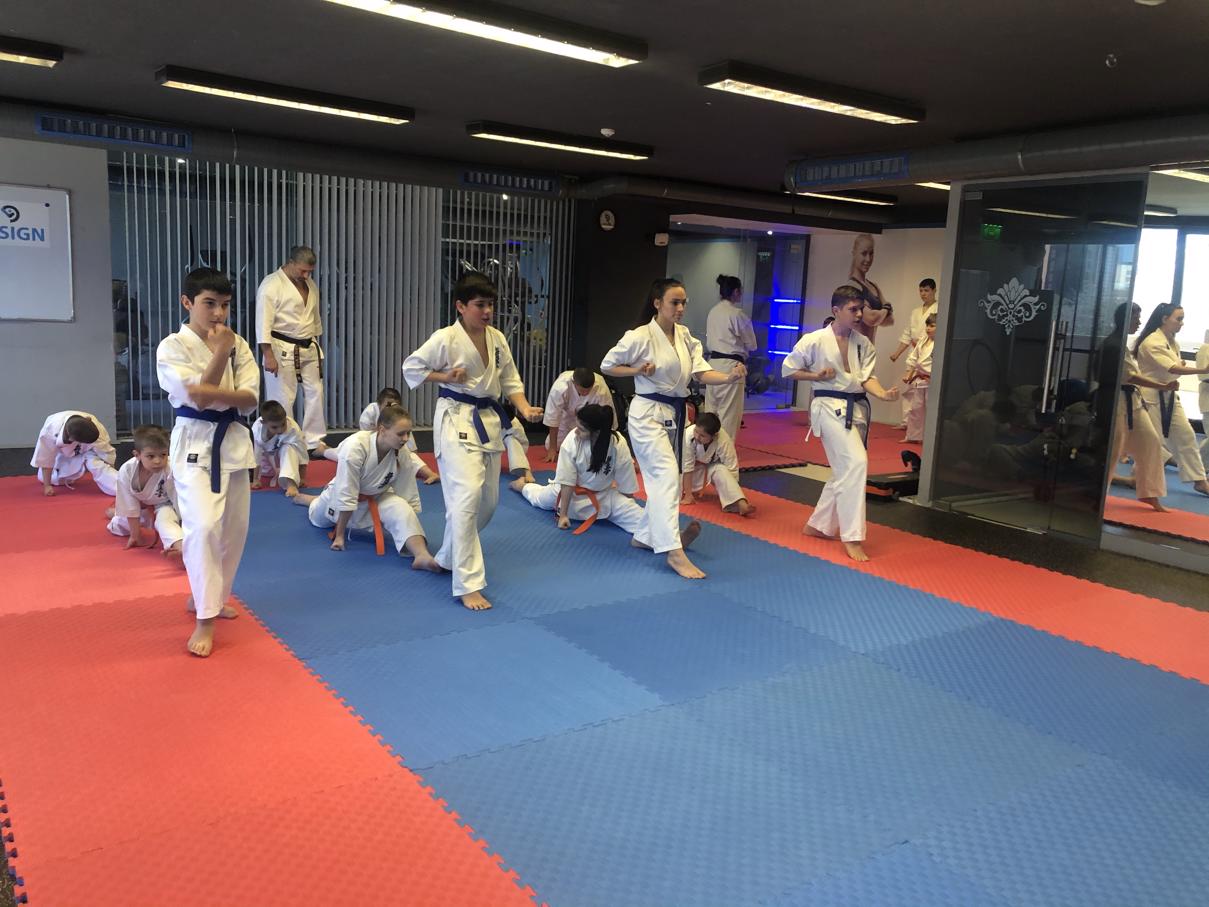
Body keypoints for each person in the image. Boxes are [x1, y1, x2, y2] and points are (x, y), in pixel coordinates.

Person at [402, 273, 543, 611]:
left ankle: (445, 558)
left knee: (487, 504)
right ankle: (467, 583)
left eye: (490, 304)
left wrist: (524, 408)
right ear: (461, 306)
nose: (487, 311)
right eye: (480, 305)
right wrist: (444, 376)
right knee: (465, 499)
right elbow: (412, 368)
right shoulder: (446, 338)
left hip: (489, 421)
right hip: (456, 419)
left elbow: (510, 380)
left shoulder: (497, 338)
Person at [601, 278, 745, 579]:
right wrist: (637, 370)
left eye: (683, 303)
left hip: (674, 414)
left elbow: (701, 373)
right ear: (658, 303)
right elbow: (608, 365)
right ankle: (673, 551)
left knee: (665, 478)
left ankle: (645, 535)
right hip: (646, 414)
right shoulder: (640, 336)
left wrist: (728, 377)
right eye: (674, 302)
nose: (680, 308)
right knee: (666, 475)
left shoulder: (685, 336)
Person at [157, 267, 259, 657]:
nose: (218, 313)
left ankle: (210, 596)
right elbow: (198, 400)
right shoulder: (172, 347)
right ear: (187, 302)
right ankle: (205, 618)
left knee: (233, 531)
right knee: (202, 528)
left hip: (232, 442)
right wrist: (220, 354)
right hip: (194, 444)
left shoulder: (240, 344)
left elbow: (250, 400)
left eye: (225, 305)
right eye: (209, 303)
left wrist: (214, 392)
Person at [782, 285, 901, 562]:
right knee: (856, 463)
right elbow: (788, 369)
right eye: (853, 309)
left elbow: (867, 379)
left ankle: (818, 525)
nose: (859, 314)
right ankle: (852, 536)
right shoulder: (814, 340)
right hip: (827, 407)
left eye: (861, 309)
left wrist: (883, 394)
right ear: (836, 310)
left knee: (844, 471)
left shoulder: (864, 343)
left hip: (855, 409)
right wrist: (815, 376)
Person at [293, 405, 440, 570]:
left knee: (401, 509)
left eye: (408, 433)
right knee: (318, 519)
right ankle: (310, 500)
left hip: (377, 495)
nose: (406, 438)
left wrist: (408, 519)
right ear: (382, 430)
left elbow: (407, 489)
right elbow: (347, 492)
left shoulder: (402, 452)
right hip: (341, 496)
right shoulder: (356, 446)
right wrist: (339, 536)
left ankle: (421, 555)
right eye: (400, 434)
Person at [510, 403, 646, 537]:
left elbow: (626, 478)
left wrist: (628, 504)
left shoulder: (617, 443)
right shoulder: (572, 440)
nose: (576, 431)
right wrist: (563, 515)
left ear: (596, 433)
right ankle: (522, 486)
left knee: (642, 521)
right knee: (539, 499)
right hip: (571, 495)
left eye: (581, 429)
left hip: (604, 495)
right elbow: (567, 481)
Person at [257, 245, 326, 453]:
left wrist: (317, 346)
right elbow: (263, 323)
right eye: (302, 270)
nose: (306, 275)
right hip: (281, 347)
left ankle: (313, 441)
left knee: (316, 393)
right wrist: (268, 355)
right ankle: (285, 441)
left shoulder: (310, 284)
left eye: (309, 272)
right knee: (283, 397)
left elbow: (314, 318)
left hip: (308, 345)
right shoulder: (271, 285)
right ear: (291, 262)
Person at [1134, 303, 1209, 496]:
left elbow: (1175, 366)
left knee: (1186, 435)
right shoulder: (1152, 341)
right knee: (1153, 440)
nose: (1182, 323)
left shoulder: (1171, 341)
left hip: (1169, 395)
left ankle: (1200, 480)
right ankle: (1137, 476)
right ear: (1164, 319)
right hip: (1150, 396)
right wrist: (1203, 369)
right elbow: (1173, 368)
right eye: (1179, 319)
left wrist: (1180, 366)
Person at [1105, 303, 1173, 511]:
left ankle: (1149, 494)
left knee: (1151, 442)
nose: (1139, 322)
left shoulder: (1122, 344)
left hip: (1132, 402)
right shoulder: (1112, 344)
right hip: (1116, 402)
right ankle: (1098, 495)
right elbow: (1130, 377)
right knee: (1113, 452)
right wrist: (1163, 385)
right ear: (1124, 319)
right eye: (1136, 318)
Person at [104, 423, 183, 555]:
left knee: (164, 522)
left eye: (163, 455)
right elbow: (129, 504)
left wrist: (183, 524)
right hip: (140, 507)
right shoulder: (127, 470)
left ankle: (181, 548)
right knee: (119, 527)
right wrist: (135, 535)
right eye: (151, 456)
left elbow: (179, 499)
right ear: (137, 455)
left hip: (165, 505)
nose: (158, 461)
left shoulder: (171, 469)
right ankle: (117, 514)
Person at [705, 274, 758, 441]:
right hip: (732, 366)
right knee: (729, 416)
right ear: (736, 291)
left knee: (711, 413)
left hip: (712, 365)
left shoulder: (713, 312)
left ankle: (706, 449)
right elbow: (752, 344)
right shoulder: (737, 314)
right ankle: (725, 452)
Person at [680, 411, 755, 516]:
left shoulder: (723, 440)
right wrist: (688, 495)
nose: (697, 437)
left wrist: (731, 490)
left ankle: (740, 503)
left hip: (706, 469)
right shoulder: (688, 434)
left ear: (714, 436)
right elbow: (687, 466)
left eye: (702, 435)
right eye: (696, 431)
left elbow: (731, 467)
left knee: (721, 469)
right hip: (683, 473)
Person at [31, 410, 118, 496]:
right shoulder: (49, 431)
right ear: (72, 440)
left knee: (96, 464)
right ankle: (54, 476)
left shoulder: (94, 425)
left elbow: (106, 452)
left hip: (89, 451)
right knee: (53, 479)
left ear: (88, 419)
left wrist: (111, 472)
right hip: (62, 453)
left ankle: (120, 486)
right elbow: (46, 459)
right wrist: (47, 486)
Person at [541, 367, 614, 461]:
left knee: (595, 447)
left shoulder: (600, 386)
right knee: (553, 445)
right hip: (566, 418)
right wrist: (552, 449)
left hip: (590, 422)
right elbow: (553, 417)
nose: (586, 393)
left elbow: (607, 416)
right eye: (583, 391)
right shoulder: (560, 387)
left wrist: (607, 442)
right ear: (574, 383)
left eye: (589, 390)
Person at [251, 400, 309, 497]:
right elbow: (255, 454)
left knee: (288, 448)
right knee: (265, 470)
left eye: (283, 424)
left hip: (284, 459)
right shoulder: (257, 429)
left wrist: (302, 478)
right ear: (263, 423)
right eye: (274, 427)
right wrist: (255, 479)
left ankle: (291, 484)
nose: (280, 429)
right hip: (265, 462)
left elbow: (302, 453)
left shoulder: (293, 429)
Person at [847, 234, 894, 342]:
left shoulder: (874, 286)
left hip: (870, 348)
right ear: (854, 253)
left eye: (871, 253)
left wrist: (879, 314)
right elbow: (871, 319)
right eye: (864, 253)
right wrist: (886, 309)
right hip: (856, 348)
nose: (868, 259)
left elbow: (890, 320)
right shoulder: (851, 287)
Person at [901, 313, 936, 443]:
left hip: (932, 381)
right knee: (916, 409)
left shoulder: (940, 344)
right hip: (920, 379)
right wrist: (909, 374)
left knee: (931, 410)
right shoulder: (923, 340)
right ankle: (913, 436)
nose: (928, 328)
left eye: (932, 326)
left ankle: (930, 439)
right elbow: (914, 359)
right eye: (927, 325)